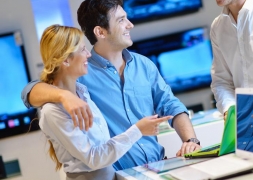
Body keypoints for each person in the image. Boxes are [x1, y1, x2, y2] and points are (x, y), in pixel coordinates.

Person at [21, 0, 201, 170]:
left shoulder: (143, 65)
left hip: (159, 166)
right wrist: (64, 95)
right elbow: (29, 93)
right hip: (120, 174)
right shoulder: (80, 73)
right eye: (121, 20)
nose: (130, 25)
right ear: (100, 32)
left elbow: (170, 104)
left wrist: (190, 140)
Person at [38, 25, 172, 179]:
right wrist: (137, 130)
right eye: (82, 50)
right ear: (66, 60)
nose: (88, 54)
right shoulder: (52, 111)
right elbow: (94, 158)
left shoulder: (82, 93)